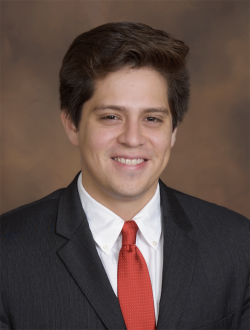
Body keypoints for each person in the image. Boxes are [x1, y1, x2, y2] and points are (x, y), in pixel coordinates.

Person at [0, 22, 249, 330]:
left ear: (173, 131)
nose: (133, 138)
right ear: (72, 124)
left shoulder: (238, 244)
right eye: (111, 117)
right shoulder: (6, 254)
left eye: (152, 118)